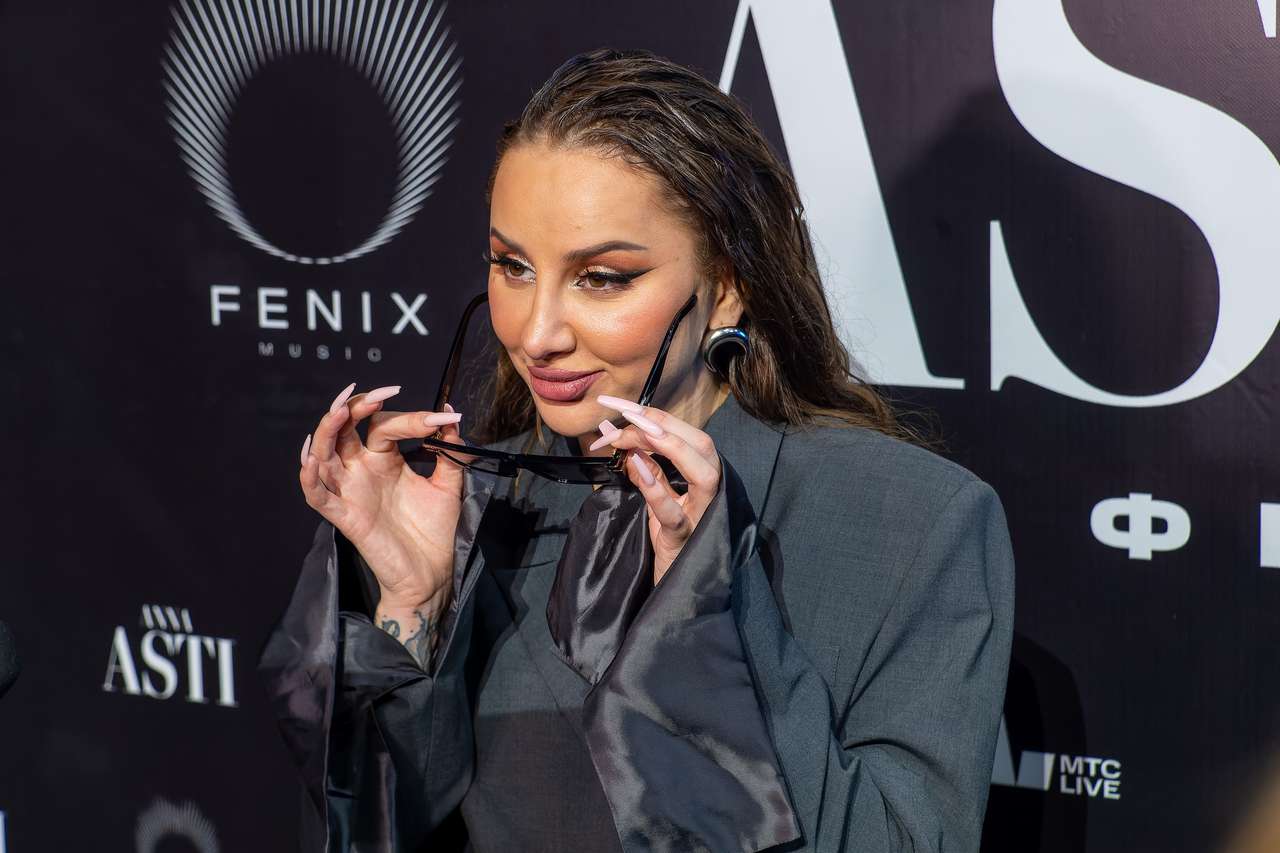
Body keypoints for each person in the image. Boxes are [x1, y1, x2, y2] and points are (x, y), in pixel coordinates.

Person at [258, 47, 1015, 853]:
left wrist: (707, 613)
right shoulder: (480, 508)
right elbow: (378, 830)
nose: (537, 333)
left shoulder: (912, 522)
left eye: (603, 277)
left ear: (727, 285)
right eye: (513, 266)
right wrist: (412, 607)